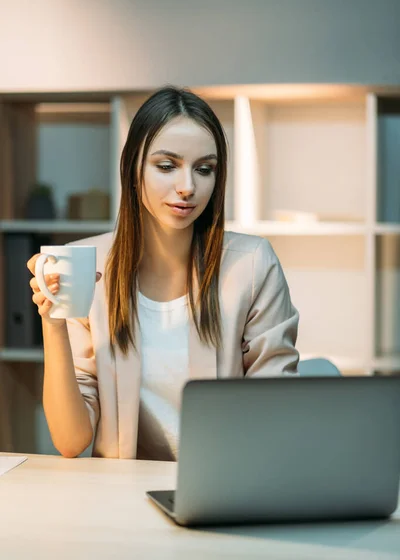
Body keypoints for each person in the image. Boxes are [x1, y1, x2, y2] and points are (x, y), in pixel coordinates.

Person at [27, 86, 299, 460]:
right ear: (134, 171)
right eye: (167, 166)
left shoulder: (252, 264)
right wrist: (53, 322)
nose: (187, 187)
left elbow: (278, 417)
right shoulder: (85, 265)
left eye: (204, 169)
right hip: (121, 498)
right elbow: (71, 440)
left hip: (223, 489)